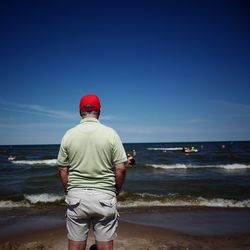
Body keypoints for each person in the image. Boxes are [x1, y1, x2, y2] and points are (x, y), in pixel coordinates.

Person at [57, 94, 127, 250]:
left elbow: (62, 168)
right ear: (99, 111)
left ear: (80, 111)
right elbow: (121, 168)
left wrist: (68, 189)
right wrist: (116, 190)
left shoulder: (69, 134)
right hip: (105, 196)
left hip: (77, 197)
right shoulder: (111, 134)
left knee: (75, 243)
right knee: (105, 244)